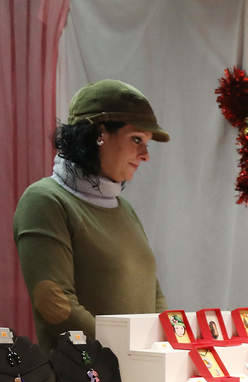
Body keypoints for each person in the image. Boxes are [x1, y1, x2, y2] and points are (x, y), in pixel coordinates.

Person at [13, 79, 169, 354]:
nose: (145, 155)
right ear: (100, 134)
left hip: (139, 380)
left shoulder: (124, 209)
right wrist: (130, 353)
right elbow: (56, 305)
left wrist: (161, 347)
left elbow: (152, 292)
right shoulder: (45, 201)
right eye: (136, 140)